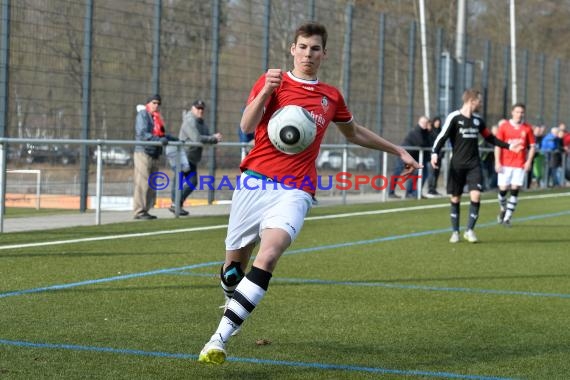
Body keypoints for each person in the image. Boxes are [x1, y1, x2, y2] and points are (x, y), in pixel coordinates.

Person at [198, 22, 421, 365]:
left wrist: (398, 150)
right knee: (231, 272)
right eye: (302, 47)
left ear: (324, 54)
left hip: (295, 189)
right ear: (292, 49)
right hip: (254, 182)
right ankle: (233, 297)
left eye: (315, 48)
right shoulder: (272, 81)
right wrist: (264, 93)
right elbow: (245, 127)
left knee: (269, 254)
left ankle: (219, 338)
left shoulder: (330, 96)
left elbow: (354, 133)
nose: (308, 54)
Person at [430, 88, 522, 244]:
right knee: (455, 198)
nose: (481, 103)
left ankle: (470, 230)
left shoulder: (478, 121)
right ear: (471, 101)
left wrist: (508, 146)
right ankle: (455, 232)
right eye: (479, 100)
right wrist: (434, 152)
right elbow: (442, 136)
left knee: (476, 195)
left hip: (474, 164)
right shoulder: (454, 117)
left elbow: (490, 138)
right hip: (457, 165)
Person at [169, 100, 222, 216]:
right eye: (198, 108)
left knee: (188, 182)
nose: (200, 110)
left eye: (202, 108)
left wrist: (213, 137)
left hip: (191, 157)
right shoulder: (189, 120)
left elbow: (206, 135)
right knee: (186, 181)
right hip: (183, 155)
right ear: (192, 108)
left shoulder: (200, 121)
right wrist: (213, 138)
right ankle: (176, 204)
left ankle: (176, 204)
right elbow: (196, 138)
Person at [133, 94, 176, 220]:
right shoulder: (143, 115)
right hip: (143, 152)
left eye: (158, 103)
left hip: (155, 153)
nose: (156, 105)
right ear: (148, 103)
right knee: (142, 182)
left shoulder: (157, 117)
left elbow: (162, 134)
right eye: (154, 103)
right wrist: (158, 139)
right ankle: (139, 211)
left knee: (151, 183)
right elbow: (142, 133)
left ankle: (146, 209)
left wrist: (175, 139)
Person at [494, 103, 536, 226]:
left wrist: (528, 161)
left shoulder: (527, 128)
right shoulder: (504, 127)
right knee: (502, 191)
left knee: (515, 189)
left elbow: (532, 147)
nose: (519, 114)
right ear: (512, 112)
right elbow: (498, 145)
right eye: (517, 112)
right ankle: (503, 208)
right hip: (505, 163)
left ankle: (507, 218)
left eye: (522, 112)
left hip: (519, 164)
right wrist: (497, 161)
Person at [388, 115, 431, 199]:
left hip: (411, 157)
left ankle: (410, 193)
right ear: (420, 122)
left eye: (426, 123)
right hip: (403, 156)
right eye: (424, 123)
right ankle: (391, 192)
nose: (426, 125)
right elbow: (421, 143)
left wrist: (428, 132)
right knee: (397, 172)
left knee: (413, 174)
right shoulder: (416, 131)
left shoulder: (425, 132)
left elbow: (428, 143)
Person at [426, 116, 443, 197]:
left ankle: (434, 189)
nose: (438, 123)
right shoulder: (430, 131)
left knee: (436, 173)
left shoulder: (441, 131)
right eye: (436, 121)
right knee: (431, 173)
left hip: (439, 156)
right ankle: (430, 189)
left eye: (439, 121)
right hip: (431, 157)